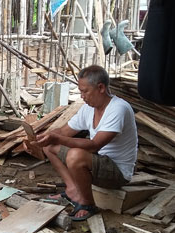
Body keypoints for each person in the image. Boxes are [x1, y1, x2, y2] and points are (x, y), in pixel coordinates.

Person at [36, 65, 138, 221]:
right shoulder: (88, 108)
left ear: (101, 88)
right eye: (80, 91)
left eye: (85, 91)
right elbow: (63, 132)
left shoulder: (119, 109)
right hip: (98, 161)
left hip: (117, 172)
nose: (82, 96)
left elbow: (95, 145)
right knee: (49, 146)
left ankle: (88, 204)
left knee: (75, 155)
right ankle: (72, 190)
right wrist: (40, 138)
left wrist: (57, 138)